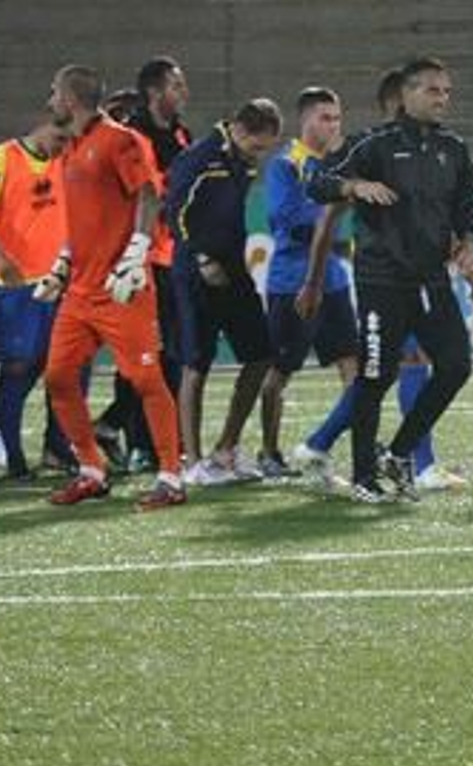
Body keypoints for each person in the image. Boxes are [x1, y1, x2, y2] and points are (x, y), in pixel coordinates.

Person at [309, 57, 473, 503]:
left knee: (456, 365)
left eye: (446, 91)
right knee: (375, 376)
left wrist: (468, 243)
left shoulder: (453, 148)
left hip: (432, 280)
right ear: (407, 94)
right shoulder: (373, 144)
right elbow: (316, 179)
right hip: (381, 280)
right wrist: (353, 187)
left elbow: (469, 205)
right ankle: (363, 477)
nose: (442, 99)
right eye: (432, 90)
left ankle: (400, 452)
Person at [37, 64, 185, 510]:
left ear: (70, 99)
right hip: (80, 290)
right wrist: (62, 264)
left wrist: (136, 254)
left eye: (53, 93)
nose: (49, 101)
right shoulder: (70, 148)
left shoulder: (120, 140)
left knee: (145, 378)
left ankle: (171, 478)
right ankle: (92, 469)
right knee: (58, 377)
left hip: (122, 287)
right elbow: (84, 217)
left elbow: (149, 195)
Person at [165, 99, 283, 485]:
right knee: (195, 364)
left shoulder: (242, 160)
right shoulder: (199, 157)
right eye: (257, 146)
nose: (259, 155)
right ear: (240, 130)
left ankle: (225, 449)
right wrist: (202, 258)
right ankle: (193, 462)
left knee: (260, 354)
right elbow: (174, 210)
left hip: (235, 270)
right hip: (195, 272)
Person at [94, 56, 193, 472]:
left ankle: (124, 429)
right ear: (154, 91)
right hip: (139, 257)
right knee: (145, 352)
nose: (184, 92)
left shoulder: (182, 133)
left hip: (172, 254)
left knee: (172, 353)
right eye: (176, 85)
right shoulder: (131, 137)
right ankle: (141, 442)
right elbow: (135, 192)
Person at [0, 117, 72, 479]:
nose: (63, 147)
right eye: (59, 138)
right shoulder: (2, 157)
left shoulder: (65, 158)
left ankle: (56, 446)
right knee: (19, 365)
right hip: (17, 283)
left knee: (60, 366)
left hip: (58, 279)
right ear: (43, 125)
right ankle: (10, 451)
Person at [261, 87, 354, 483]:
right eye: (325, 118)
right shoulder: (286, 165)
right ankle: (269, 452)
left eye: (337, 118)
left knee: (354, 367)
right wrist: (333, 212)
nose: (333, 125)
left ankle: (332, 448)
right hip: (292, 283)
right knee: (280, 371)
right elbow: (287, 218)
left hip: (333, 281)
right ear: (305, 121)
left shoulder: (339, 165)